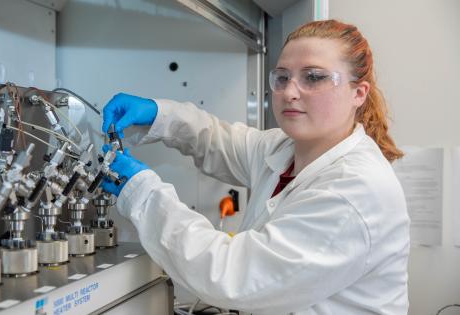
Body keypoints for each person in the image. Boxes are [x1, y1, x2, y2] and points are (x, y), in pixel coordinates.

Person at [100, 19, 410, 315]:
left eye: (313, 77)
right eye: (283, 77)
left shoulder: (355, 191)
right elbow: (217, 141)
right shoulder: (286, 148)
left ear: (358, 93)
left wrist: (142, 191)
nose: (290, 91)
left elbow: (230, 276)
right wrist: (159, 115)